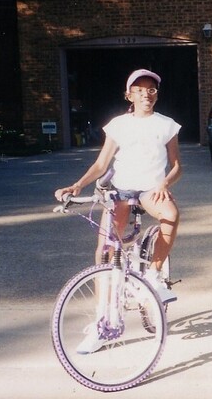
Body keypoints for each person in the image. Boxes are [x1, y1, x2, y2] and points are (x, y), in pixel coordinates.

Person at [55, 69, 182, 353]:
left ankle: (153, 275)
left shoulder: (167, 125)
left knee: (171, 215)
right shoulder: (118, 125)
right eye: (140, 90)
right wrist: (77, 185)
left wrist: (164, 183)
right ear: (129, 95)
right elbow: (101, 165)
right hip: (121, 190)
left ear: (156, 94)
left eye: (151, 89)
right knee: (105, 251)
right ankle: (102, 323)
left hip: (150, 190)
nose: (146, 94)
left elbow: (176, 166)